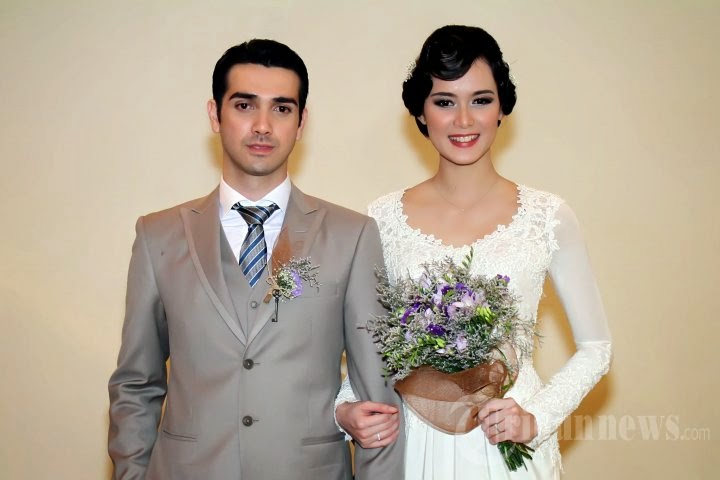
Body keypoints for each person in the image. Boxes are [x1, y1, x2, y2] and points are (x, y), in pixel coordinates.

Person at [108, 39, 404, 480]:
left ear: (301, 122)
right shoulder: (157, 236)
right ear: (215, 114)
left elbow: (378, 399)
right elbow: (137, 383)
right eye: (245, 105)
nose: (263, 125)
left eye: (281, 108)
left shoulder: (353, 235)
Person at [334, 25, 612, 479]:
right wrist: (345, 408)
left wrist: (535, 418)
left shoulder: (548, 216)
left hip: (508, 440)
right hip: (414, 444)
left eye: (480, 100)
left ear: (501, 107)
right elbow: (371, 344)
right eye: (445, 102)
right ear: (421, 112)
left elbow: (596, 347)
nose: (463, 120)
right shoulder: (380, 219)